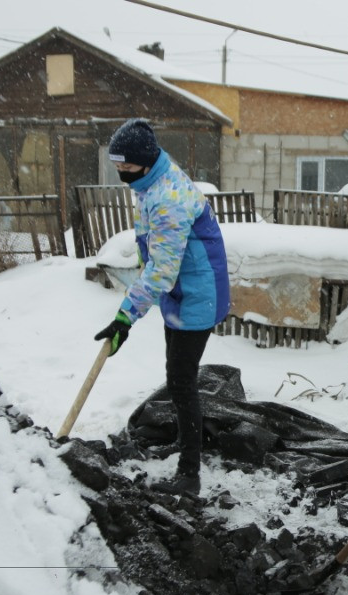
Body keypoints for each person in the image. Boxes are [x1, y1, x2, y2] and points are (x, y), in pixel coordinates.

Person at [93, 119, 230, 495]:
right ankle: (188, 444)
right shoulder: (152, 179)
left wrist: (125, 317)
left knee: (182, 383)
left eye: (125, 168)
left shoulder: (168, 198)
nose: (121, 175)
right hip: (181, 291)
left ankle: (190, 474)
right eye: (117, 167)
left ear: (144, 161)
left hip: (196, 294)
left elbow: (162, 270)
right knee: (177, 379)